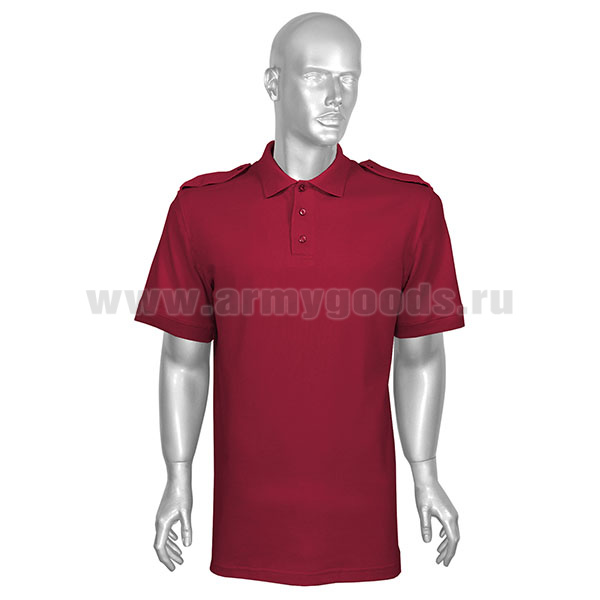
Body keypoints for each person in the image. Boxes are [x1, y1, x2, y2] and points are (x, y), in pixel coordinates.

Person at [135, 12, 464, 586]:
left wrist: (427, 474)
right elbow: (182, 359)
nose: (337, 96)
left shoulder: (411, 208)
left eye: (349, 78)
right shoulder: (201, 209)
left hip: (361, 518)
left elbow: (421, 357)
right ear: (273, 83)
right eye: (316, 76)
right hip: (246, 519)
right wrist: (177, 478)